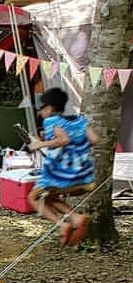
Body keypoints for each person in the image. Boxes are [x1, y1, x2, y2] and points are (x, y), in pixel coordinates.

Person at [27, 88, 99, 246]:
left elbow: (63, 139)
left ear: (50, 108)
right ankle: (75, 218)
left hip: (61, 173)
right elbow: (94, 139)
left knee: (32, 198)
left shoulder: (51, 121)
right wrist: (77, 144)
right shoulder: (79, 120)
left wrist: (40, 144)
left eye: (42, 109)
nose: (40, 114)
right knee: (50, 197)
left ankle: (62, 226)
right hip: (84, 174)